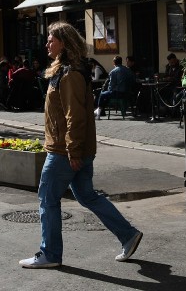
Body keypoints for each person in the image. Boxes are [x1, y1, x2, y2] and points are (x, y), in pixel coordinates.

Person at [20, 21, 143, 268]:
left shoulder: (70, 74)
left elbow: (74, 116)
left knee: (47, 198)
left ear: (63, 43)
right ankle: (128, 235)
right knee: (87, 195)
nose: (47, 44)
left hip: (65, 151)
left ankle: (50, 254)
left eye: (51, 40)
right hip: (75, 150)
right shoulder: (68, 71)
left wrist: (72, 150)